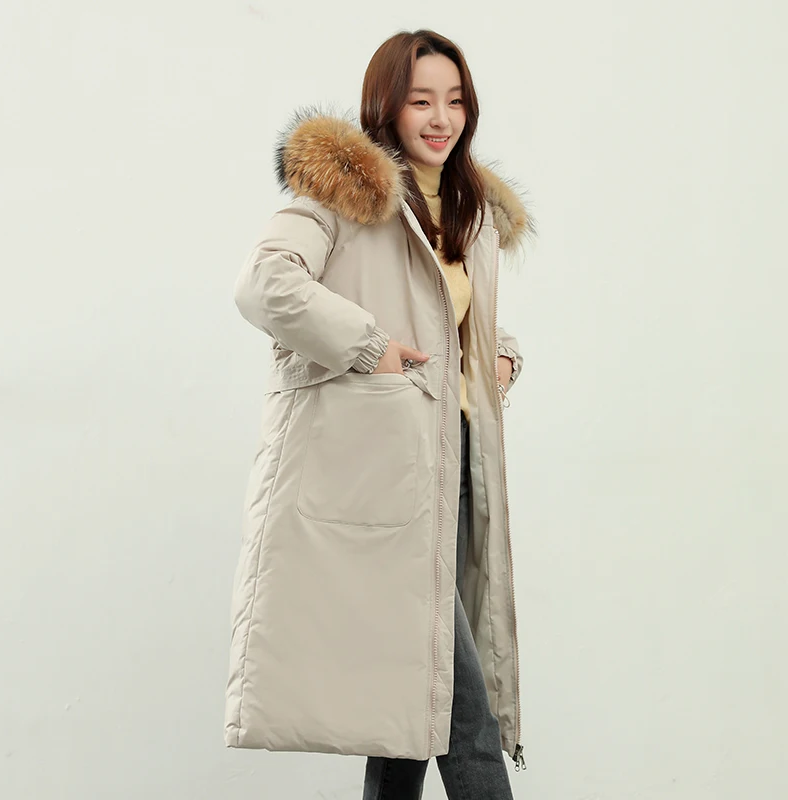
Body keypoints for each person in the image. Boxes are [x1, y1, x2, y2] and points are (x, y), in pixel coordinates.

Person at [225, 28, 535, 800]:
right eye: (421, 100)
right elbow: (265, 284)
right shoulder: (345, 193)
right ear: (386, 105)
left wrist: (500, 354)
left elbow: (451, 319)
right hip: (381, 481)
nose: (442, 118)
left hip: (457, 463)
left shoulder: (468, 209)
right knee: (463, 715)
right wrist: (368, 347)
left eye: (455, 100)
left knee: (413, 704)